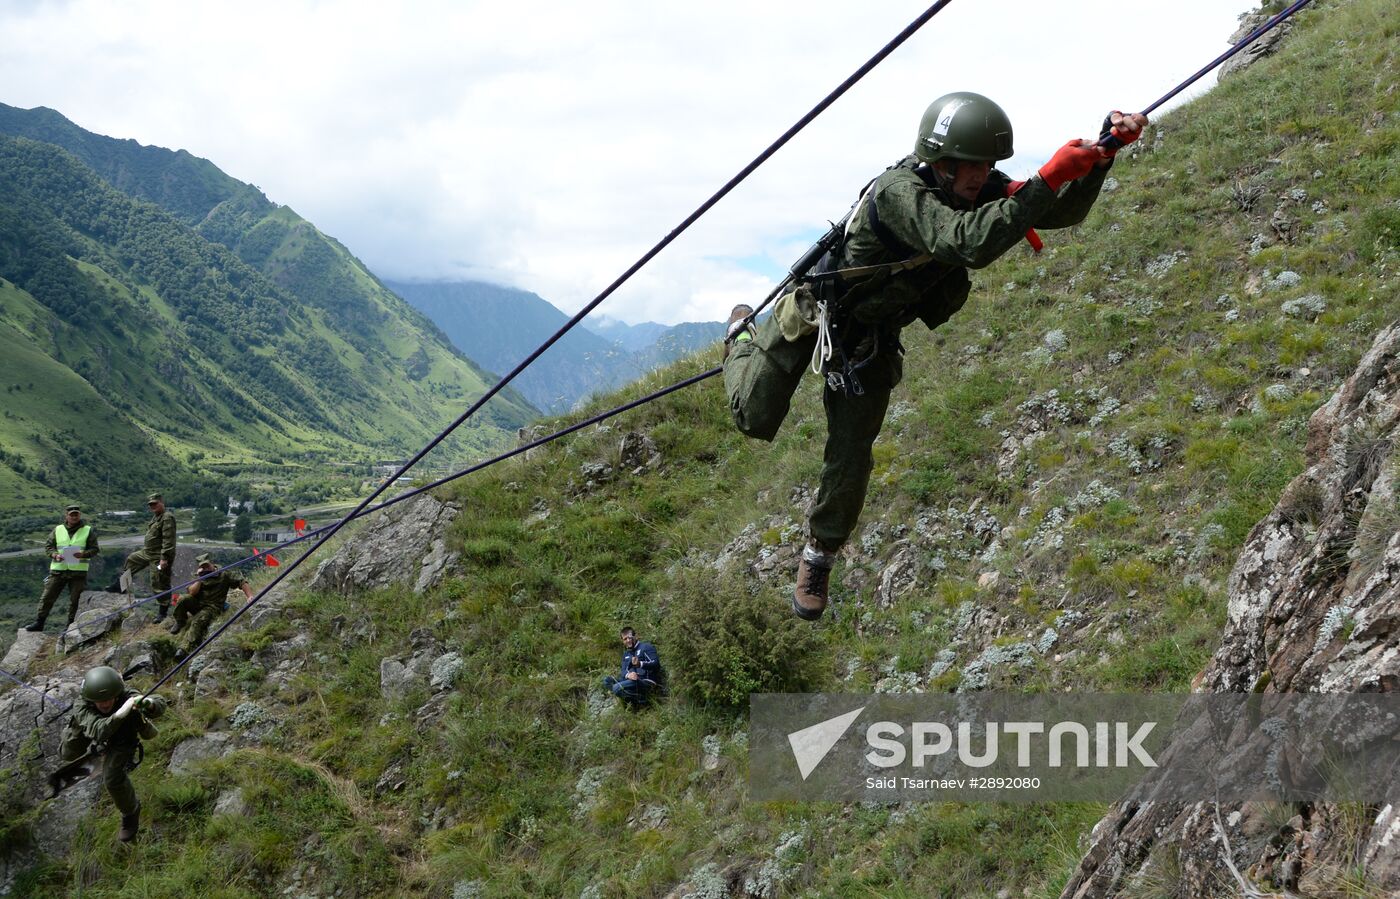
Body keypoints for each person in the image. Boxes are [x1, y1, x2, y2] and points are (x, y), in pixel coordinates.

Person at [723, 92, 1146, 620]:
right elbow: (965, 243)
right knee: (753, 418)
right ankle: (741, 337)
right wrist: (1044, 179)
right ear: (941, 164)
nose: (982, 176)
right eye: (972, 166)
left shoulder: (977, 187)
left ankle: (819, 554)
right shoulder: (900, 193)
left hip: (869, 338)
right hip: (818, 314)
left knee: (852, 453)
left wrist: (1102, 153)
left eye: (989, 166)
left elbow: (1061, 211)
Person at [53, 666, 167, 843]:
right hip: (93, 728)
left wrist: (148, 704)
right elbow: (98, 730)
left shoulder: (126, 694)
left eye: (109, 699)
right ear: (91, 699)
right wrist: (122, 712)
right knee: (67, 752)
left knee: (112, 779)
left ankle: (130, 812)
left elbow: (159, 703)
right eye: (100, 701)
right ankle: (97, 749)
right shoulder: (82, 705)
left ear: (117, 693)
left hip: (123, 739)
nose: (105, 704)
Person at [25, 503, 99, 632]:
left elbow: (95, 549)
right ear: (67, 516)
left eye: (76, 514)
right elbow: (48, 546)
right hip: (58, 570)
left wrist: (83, 554)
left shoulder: (88, 530)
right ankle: (39, 623)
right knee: (47, 597)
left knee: (76, 600)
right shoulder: (58, 529)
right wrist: (54, 555)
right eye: (72, 515)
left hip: (78, 572)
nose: (74, 517)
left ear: (79, 515)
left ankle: (70, 626)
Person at [105, 492, 177, 622]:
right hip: (148, 552)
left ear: (162, 503)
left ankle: (163, 612)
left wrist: (165, 558)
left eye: (155, 504)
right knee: (132, 559)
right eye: (151, 505)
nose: (152, 506)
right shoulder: (156, 517)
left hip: (159, 556)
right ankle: (120, 586)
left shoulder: (167, 517)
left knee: (159, 580)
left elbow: (168, 539)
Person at [170, 553, 252, 660]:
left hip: (212, 607)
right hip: (197, 603)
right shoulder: (198, 576)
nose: (205, 568)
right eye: (202, 567)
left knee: (197, 621)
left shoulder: (224, 574)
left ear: (212, 564)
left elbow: (242, 582)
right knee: (182, 599)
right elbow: (191, 592)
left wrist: (250, 596)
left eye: (207, 566)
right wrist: (200, 578)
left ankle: (183, 649)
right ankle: (180, 621)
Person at [602, 627, 663, 708]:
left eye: (630, 637)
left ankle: (644, 701)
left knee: (617, 688)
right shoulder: (626, 654)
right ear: (622, 641)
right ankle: (633, 701)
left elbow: (656, 664)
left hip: (646, 681)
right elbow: (623, 671)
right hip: (631, 682)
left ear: (635, 636)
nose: (628, 640)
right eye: (625, 639)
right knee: (607, 680)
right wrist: (628, 675)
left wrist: (640, 664)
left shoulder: (646, 647)